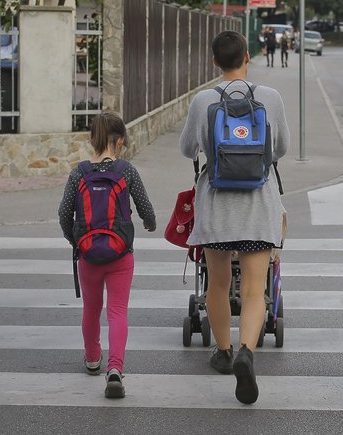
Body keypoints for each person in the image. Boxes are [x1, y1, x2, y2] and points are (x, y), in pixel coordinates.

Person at [179, 30, 290, 404]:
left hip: (216, 207)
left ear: (214, 62)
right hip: (259, 206)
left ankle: (224, 352)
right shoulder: (270, 98)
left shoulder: (203, 99)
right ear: (248, 56)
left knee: (219, 284)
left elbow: (187, 149)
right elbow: (281, 148)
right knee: (255, 289)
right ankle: (247, 350)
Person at [58, 112, 156, 399]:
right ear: (121, 141)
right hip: (120, 254)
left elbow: (64, 213)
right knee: (117, 311)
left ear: (92, 140)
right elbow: (146, 208)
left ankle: (92, 360)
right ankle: (115, 368)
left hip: (87, 255)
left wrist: (76, 242)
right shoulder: (127, 171)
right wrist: (150, 224)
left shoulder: (79, 172)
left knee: (91, 308)